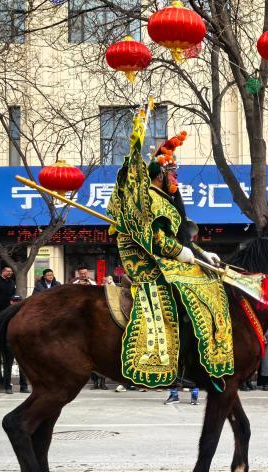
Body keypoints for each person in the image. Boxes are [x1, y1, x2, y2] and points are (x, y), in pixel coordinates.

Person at [106, 113, 230, 390]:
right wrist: (183, 254)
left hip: (166, 260)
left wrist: (200, 254)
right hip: (147, 263)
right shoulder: (149, 198)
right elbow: (156, 239)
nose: (176, 178)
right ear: (160, 174)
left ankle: (197, 360)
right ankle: (180, 363)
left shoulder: (165, 199)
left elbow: (179, 237)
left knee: (209, 283)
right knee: (190, 294)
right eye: (173, 173)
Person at [0, 295, 29, 394]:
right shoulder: (5, 314)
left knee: (23, 366)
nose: (17, 303)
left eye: (19, 301)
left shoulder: (24, 314)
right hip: (8, 344)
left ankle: (23, 386)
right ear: (11, 302)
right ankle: (7, 386)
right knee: (8, 367)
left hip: (21, 344)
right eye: (15, 301)